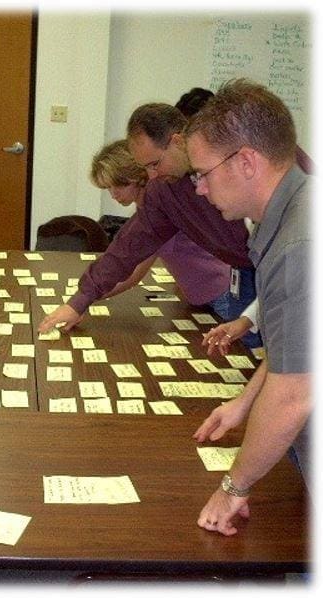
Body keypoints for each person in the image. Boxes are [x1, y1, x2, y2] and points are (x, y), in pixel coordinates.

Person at [186, 79, 311, 536]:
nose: (199, 189)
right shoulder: (291, 214)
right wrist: (245, 401)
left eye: (202, 173)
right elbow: (295, 346)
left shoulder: (300, 244)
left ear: (245, 162)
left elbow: (295, 392)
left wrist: (233, 488)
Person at [38, 103, 259, 346]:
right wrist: (80, 301)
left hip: (256, 274)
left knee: (257, 351)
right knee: (244, 351)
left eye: (154, 164)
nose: (151, 176)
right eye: (145, 168)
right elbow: (127, 248)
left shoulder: (226, 168)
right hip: (240, 277)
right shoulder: (163, 190)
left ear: (177, 142)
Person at [90, 140, 232, 316]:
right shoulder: (150, 208)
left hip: (223, 296)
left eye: (119, 185)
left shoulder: (158, 211)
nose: (113, 194)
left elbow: (133, 274)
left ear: (138, 176)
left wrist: (83, 300)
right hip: (202, 295)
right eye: (108, 188)